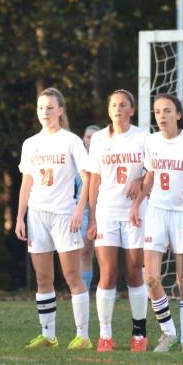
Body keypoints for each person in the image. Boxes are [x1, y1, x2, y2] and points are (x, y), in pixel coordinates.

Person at [130, 93, 183, 353]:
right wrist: (136, 203)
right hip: (156, 213)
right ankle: (169, 332)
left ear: (178, 114)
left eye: (167, 111)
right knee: (151, 278)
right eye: (157, 112)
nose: (161, 116)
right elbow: (150, 176)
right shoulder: (152, 142)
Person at [15, 87, 92, 350]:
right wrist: (19, 217)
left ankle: (83, 336)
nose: (45, 112)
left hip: (64, 216)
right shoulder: (30, 144)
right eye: (40, 108)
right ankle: (49, 336)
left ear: (60, 110)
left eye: (50, 107)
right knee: (43, 278)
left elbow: (88, 176)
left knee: (72, 275)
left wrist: (79, 209)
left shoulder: (70, 140)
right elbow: (27, 182)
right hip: (37, 216)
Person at [86, 89, 149, 352]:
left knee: (134, 272)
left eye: (123, 105)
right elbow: (94, 180)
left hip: (135, 212)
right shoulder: (99, 139)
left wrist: (140, 180)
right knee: (108, 272)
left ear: (132, 110)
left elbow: (152, 173)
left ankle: (139, 334)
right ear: (108, 110)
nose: (118, 109)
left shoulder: (144, 137)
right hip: (107, 212)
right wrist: (92, 217)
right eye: (114, 105)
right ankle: (105, 335)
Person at [75, 124, 100, 291]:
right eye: (88, 136)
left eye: (94, 137)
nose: (90, 140)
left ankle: (106, 291)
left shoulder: (105, 159)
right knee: (84, 252)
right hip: (82, 211)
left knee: (104, 255)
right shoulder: (76, 160)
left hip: (104, 209)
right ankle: (83, 292)